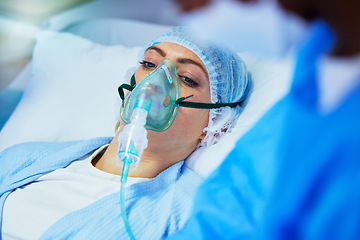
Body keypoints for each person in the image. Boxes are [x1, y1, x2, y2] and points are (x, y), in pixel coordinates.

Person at [0, 27, 250, 239]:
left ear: (218, 122)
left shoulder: (193, 213)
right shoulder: (23, 158)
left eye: (186, 78)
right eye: (150, 64)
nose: (154, 82)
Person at [167, 0, 360, 239]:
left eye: (187, 78)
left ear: (214, 125)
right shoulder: (315, 76)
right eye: (147, 64)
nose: (183, 9)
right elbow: (232, 212)